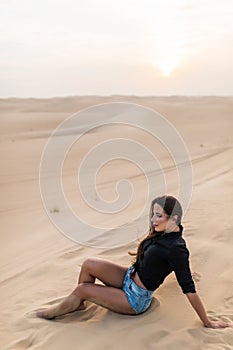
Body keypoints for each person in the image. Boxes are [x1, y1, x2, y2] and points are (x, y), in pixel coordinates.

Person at [36, 195, 230, 329]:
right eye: (153, 214)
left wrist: (207, 322)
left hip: (135, 300)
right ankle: (78, 305)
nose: (154, 220)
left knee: (82, 290)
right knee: (88, 264)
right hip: (129, 277)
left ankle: (49, 315)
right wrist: (185, 268)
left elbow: (189, 289)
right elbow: (168, 261)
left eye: (159, 215)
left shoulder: (176, 249)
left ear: (174, 218)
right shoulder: (167, 232)